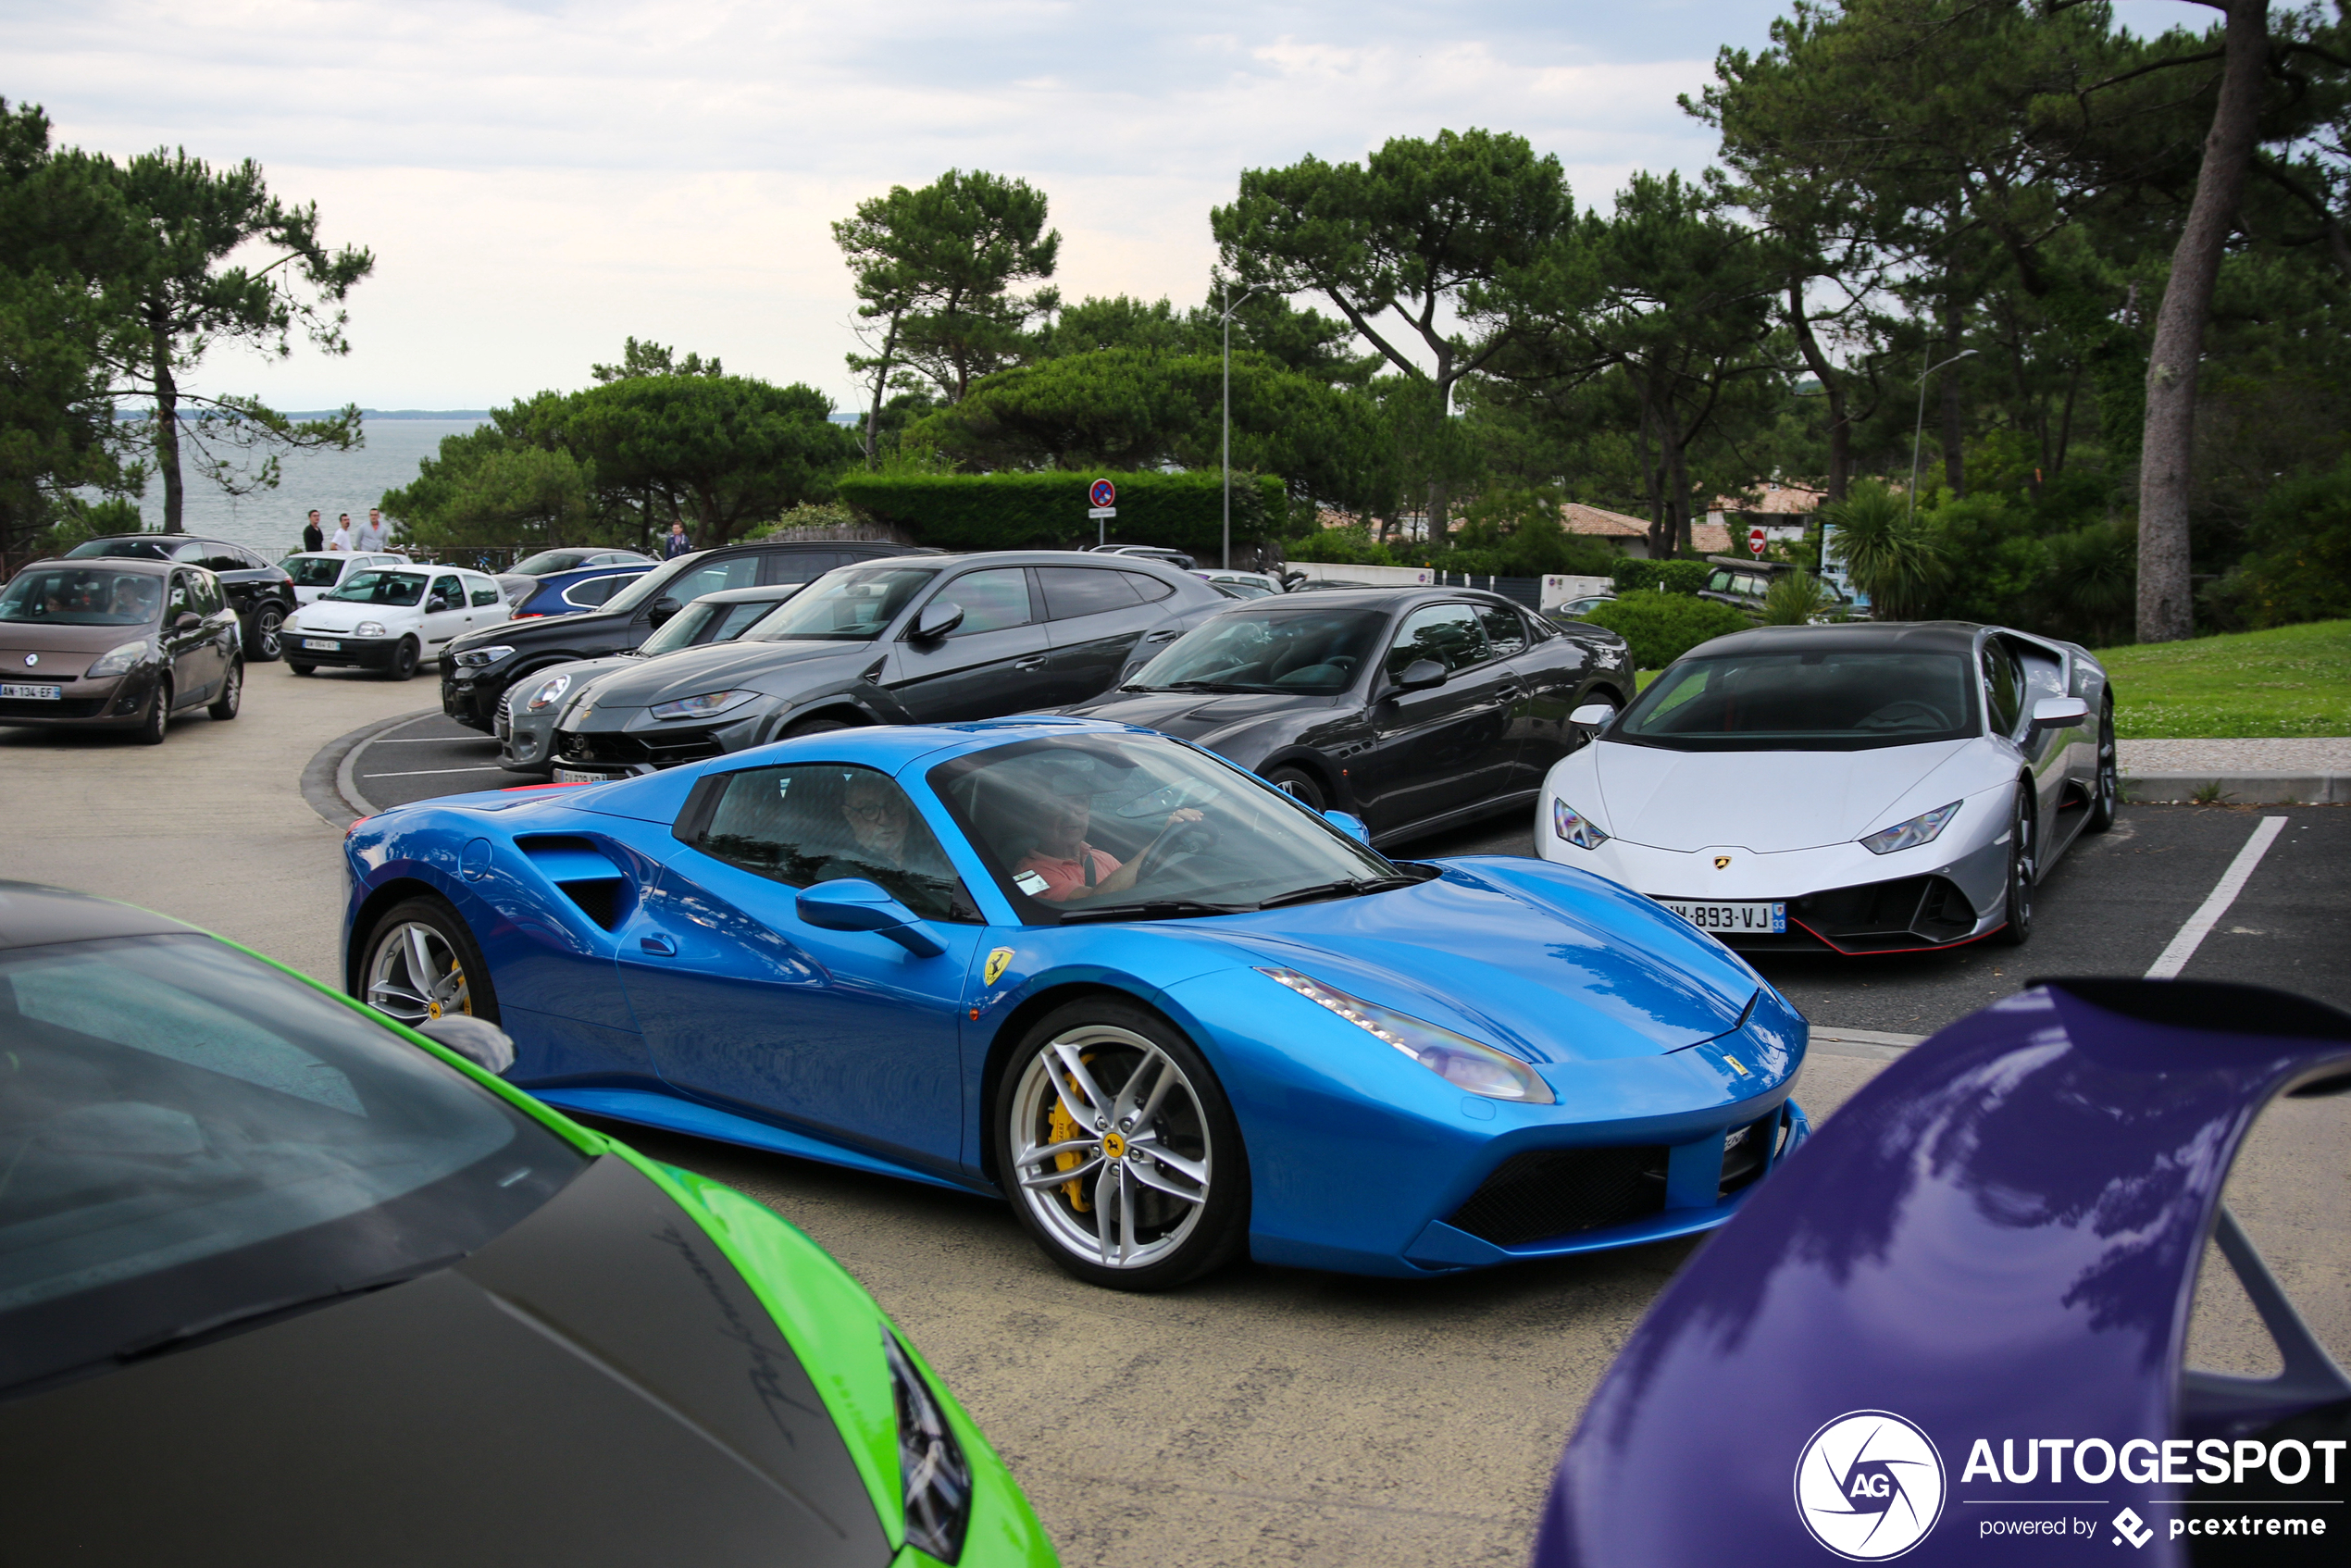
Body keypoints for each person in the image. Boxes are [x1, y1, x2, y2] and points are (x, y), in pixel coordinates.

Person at [1013, 778, 1204, 903]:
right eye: (1055, 806)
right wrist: (1162, 839)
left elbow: (1137, 889)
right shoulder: (1029, 875)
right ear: (1035, 816)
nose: (1070, 814)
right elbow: (1091, 902)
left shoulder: (1100, 857)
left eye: (1079, 802)